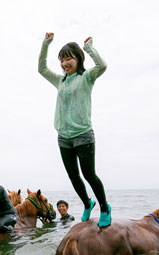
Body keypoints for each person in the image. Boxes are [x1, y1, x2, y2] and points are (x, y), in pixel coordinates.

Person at [38, 32, 111, 227]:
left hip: (83, 134)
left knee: (89, 174)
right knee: (73, 176)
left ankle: (105, 208)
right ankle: (88, 203)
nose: (64, 63)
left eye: (68, 58)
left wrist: (89, 48)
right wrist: (46, 44)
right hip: (64, 137)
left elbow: (102, 66)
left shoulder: (87, 77)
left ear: (78, 59)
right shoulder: (59, 81)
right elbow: (42, 68)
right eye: (61, 59)